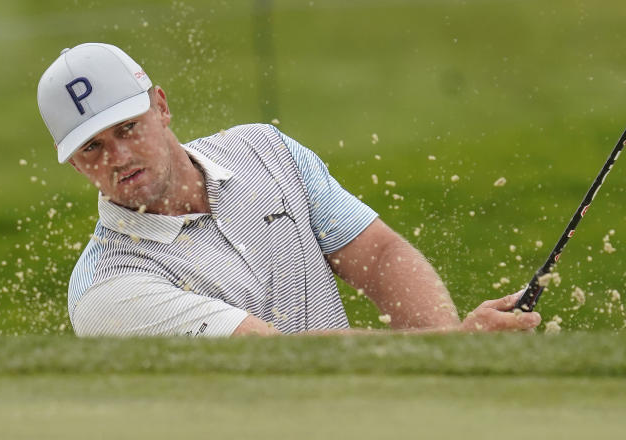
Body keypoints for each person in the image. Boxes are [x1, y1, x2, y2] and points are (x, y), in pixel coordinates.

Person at [37, 42, 541, 337]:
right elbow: (281, 358)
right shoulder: (106, 291)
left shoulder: (263, 149)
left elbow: (380, 255)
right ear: (76, 166)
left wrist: (445, 362)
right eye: (92, 149)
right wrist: (446, 354)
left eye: (127, 129)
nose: (117, 158)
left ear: (162, 107)